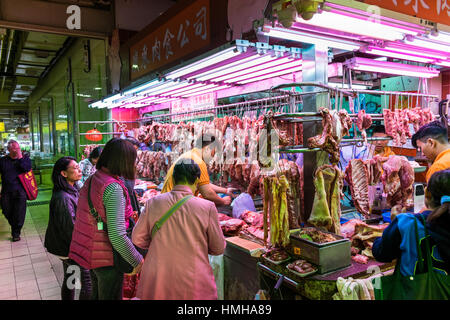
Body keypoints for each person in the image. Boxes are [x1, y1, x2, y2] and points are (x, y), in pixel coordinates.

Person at [132, 159, 226, 299]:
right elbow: (218, 248)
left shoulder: (153, 203)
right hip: (193, 278)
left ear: (174, 179)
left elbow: (137, 238)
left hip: (158, 275)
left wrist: (158, 244)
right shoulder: (207, 207)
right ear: (196, 181)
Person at [69, 138, 144, 300]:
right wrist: (137, 260)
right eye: (133, 160)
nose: (134, 164)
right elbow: (117, 235)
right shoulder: (112, 187)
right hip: (105, 257)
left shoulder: (95, 178)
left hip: (91, 251)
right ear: (123, 161)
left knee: (96, 294)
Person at [372, 169, 450, 277]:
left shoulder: (407, 223)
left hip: (414, 291)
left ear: (427, 193)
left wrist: (393, 225)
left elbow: (381, 253)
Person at [44, 157, 92, 300]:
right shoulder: (63, 198)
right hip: (70, 247)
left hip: (67, 246)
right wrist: (83, 249)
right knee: (88, 284)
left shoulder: (72, 189)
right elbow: (68, 229)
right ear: (64, 174)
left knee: (71, 278)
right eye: (75, 168)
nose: (79, 170)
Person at [161, 135, 235, 206]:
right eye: (213, 152)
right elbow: (207, 193)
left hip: (167, 201)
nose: (212, 157)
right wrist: (223, 201)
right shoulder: (198, 161)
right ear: (208, 148)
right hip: (174, 205)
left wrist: (225, 191)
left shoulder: (190, 155)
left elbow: (203, 184)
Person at [0, 140, 32, 242]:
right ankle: (14, 225)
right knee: (6, 211)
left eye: (18, 147)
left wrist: (20, 156)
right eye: (14, 148)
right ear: (8, 149)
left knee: (19, 212)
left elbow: (26, 168)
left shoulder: (24, 159)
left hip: (20, 191)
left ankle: (16, 232)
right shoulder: (3, 161)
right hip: (6, 191)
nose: (17, 149)